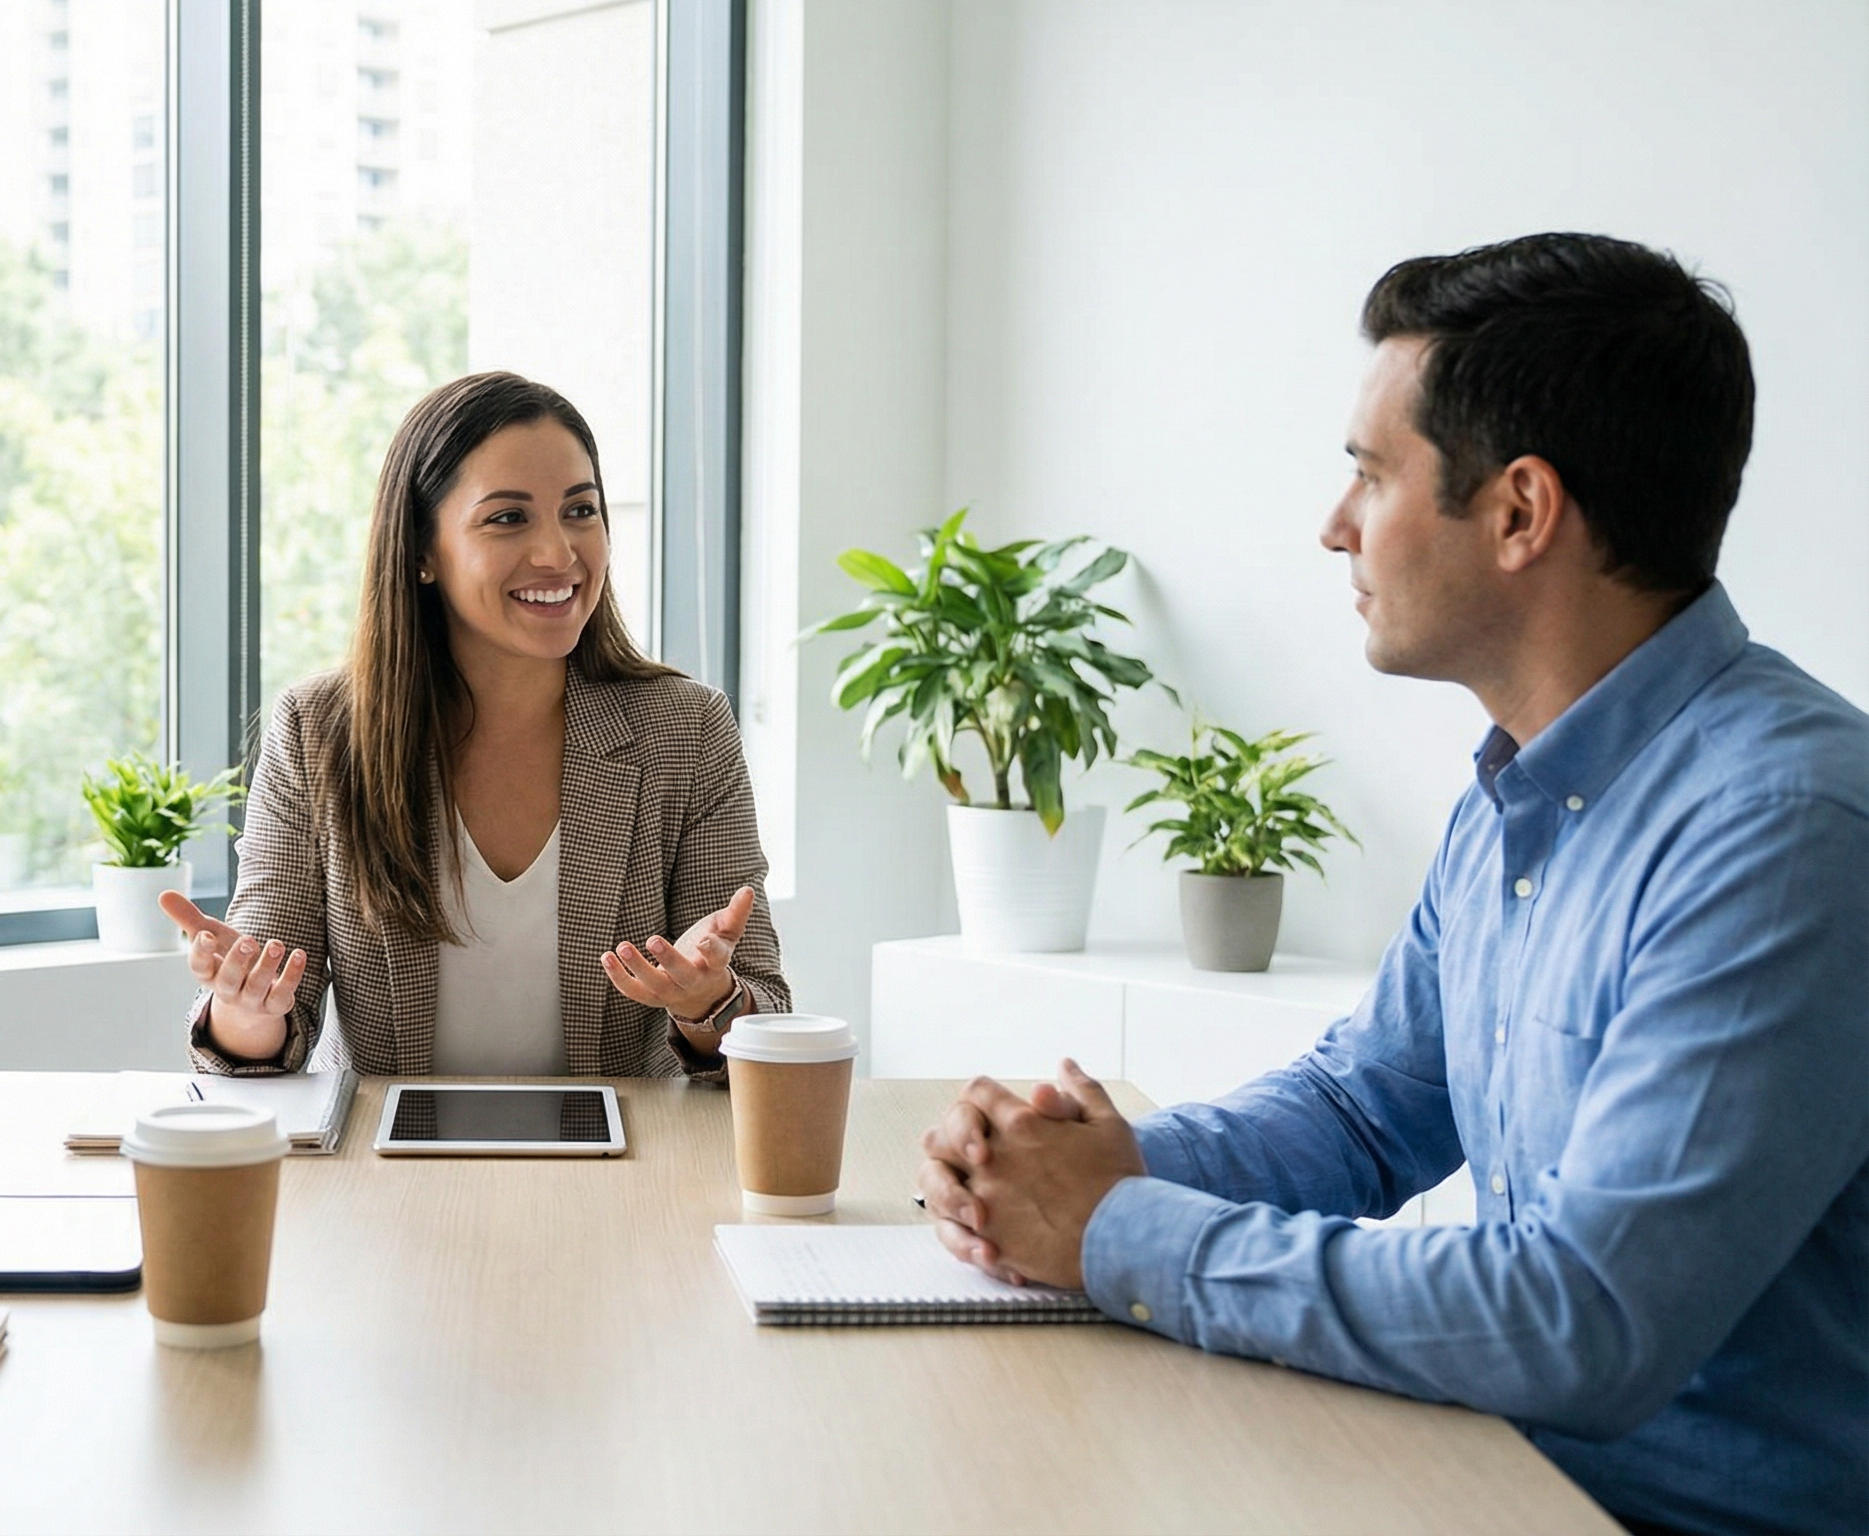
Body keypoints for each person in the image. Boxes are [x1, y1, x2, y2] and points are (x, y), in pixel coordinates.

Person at [916, 233, 1868, 1534]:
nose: (1335, 526)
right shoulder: (1518, 794)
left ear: (1520, 513)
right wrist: (1091, 1166)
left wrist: (1114, 1229)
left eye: (1370, 475)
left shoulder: (1783, 831)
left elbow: (1583, 1320)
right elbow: (1366, 1112)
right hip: (1490, 1479)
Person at [160, 371, 787, 1079]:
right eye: (508, 518)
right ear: (422, 551)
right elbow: (268, 1018)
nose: (558, 554)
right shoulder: (320, 731)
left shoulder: (686, 728)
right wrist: (246, 1008)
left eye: (581, 510)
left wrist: (710, 1003)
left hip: (623, 1146)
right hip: (389, 1146)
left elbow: (761, 1014)